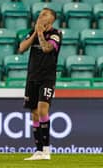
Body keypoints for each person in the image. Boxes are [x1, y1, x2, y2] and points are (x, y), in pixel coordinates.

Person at [18, 8, 62, 160]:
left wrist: (41, 34)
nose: (40, 16)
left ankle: (46, 150)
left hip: (47, 78)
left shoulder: (56, 34)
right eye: (40, 14)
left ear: (52, 19)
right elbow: (21, 48)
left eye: (44, 14)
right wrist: (36, 33)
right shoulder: (33, 32)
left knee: (43, 110)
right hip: (32, 77)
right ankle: (38, 151)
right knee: (34, 113)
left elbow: (46, 48)